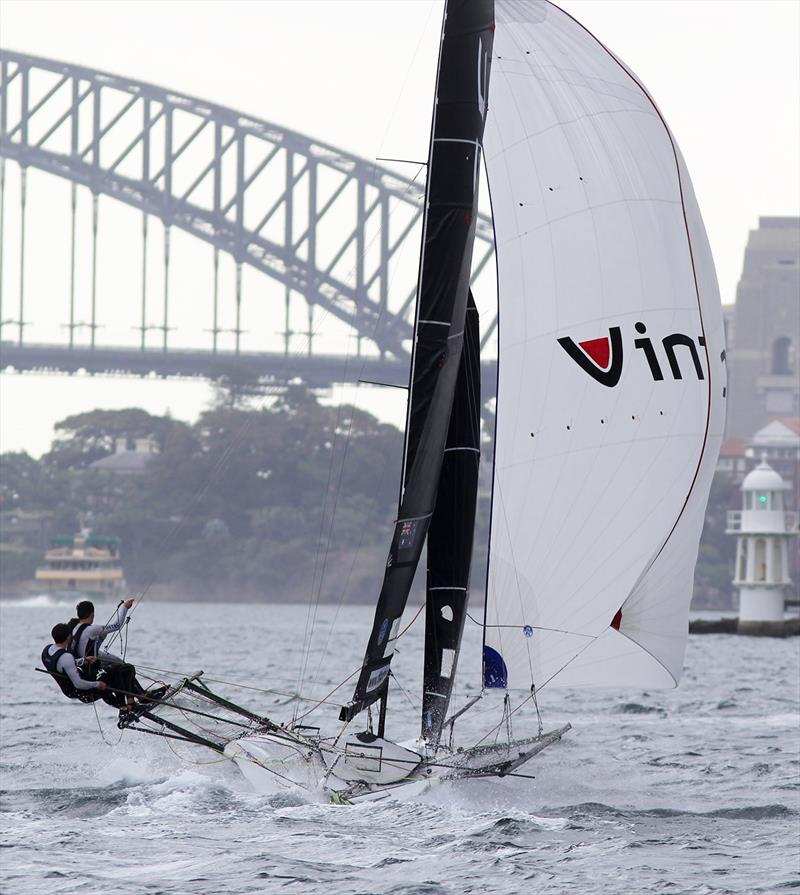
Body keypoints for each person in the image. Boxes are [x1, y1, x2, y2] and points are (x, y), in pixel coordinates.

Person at [66, 598, 145, 714]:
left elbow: (91, 650)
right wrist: (124, 608)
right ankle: (133, 700)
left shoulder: (75, 629)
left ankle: (138, 696)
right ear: (92, 614)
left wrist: (101, 638)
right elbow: (117, 625)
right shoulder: (92, 629)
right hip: (92, 670)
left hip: (86, 667)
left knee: (121, 664)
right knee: (126, 668)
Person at [41, 622, 108, 703]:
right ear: (68, 637)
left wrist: (83, 660)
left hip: (67, 691)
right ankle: (124, 707)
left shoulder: (46, 651)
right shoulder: (66, 657)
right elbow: (78, 684)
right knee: (113, 675)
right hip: (79, 691)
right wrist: (97, 684)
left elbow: (62, 664)